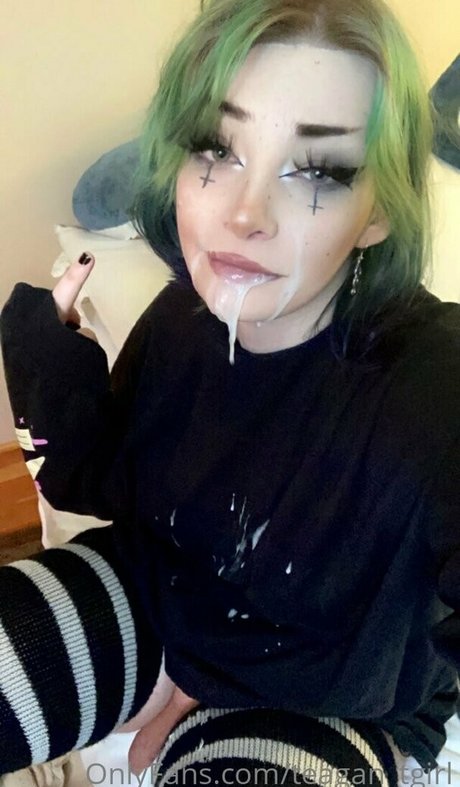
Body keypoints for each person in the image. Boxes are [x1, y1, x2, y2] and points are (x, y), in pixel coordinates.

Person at [1, 0, 459, 784]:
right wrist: (50, 359)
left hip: (332, 688)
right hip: (160, 600)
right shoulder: (182, 316)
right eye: (217, 147)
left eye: (317, 170)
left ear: (380, 207)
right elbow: (93, 478)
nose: (245, 215)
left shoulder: (433, 385)